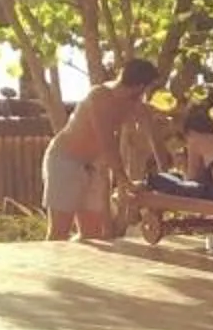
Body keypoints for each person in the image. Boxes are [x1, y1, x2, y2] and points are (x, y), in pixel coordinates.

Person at [41, 58, 162, 242]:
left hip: (91, 165)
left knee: (91, 234)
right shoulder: (100, 97)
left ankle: (78, 268)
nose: (148, 92)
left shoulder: (134, 104)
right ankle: (50, 270)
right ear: (140, 85)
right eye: (148, 87)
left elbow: (151, 132)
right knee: (59, 232)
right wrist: (123, 181)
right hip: (66, 160)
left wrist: (164, 171)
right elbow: (107, 143)